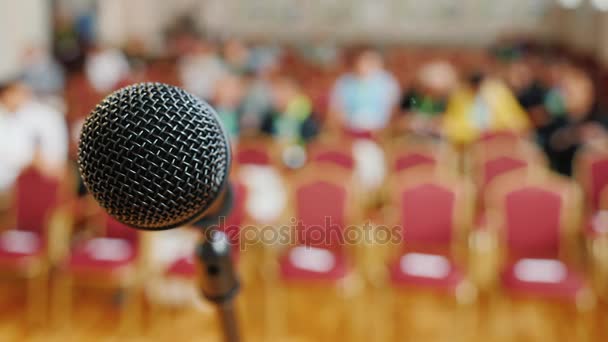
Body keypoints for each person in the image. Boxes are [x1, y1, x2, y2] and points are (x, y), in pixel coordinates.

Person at [536, 68, 608, 175]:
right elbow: (548, 146)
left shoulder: (600, 117)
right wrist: (573, 135)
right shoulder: (555, 120)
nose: (571, 95)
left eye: (577, 90)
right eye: (567, 91)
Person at [0, 79, 68, 191]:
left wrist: (37, 160)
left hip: (33, 176)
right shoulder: (7, 116)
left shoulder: (37, 115)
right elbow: (10, 151)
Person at [442, 71, 530, 145]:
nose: (476, 89)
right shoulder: (459, 96)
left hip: (498, 139)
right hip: (468, 141)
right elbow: (453, 122)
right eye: (473, 87)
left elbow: (514, 118)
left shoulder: (499, 93)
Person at [330, 50, 400, 133]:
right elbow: (336, 108)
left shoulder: (388, 82)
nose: (365, 65)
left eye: (370, 62)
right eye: (362, 61)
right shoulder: (344, 82)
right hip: (350, 128)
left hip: (380, 129)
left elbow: (394, 108)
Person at [399, 60, 458, 137]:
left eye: (436, 94)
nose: (430, 97)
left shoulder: (450, 102)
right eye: (426, 91)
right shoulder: (411, 99)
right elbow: (400, 122)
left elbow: (453, 126)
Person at [261, 77, 319, 145]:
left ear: (294, 94)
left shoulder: (307, 119)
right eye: (275, 92)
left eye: (283, 91)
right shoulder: (269, 118)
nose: (278, 96)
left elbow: (312, 141)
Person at [212, 74, 245, 142]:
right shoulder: (211, 112)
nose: (231, 92)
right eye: (227, 88)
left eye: (235, 88)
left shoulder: (241, 114)